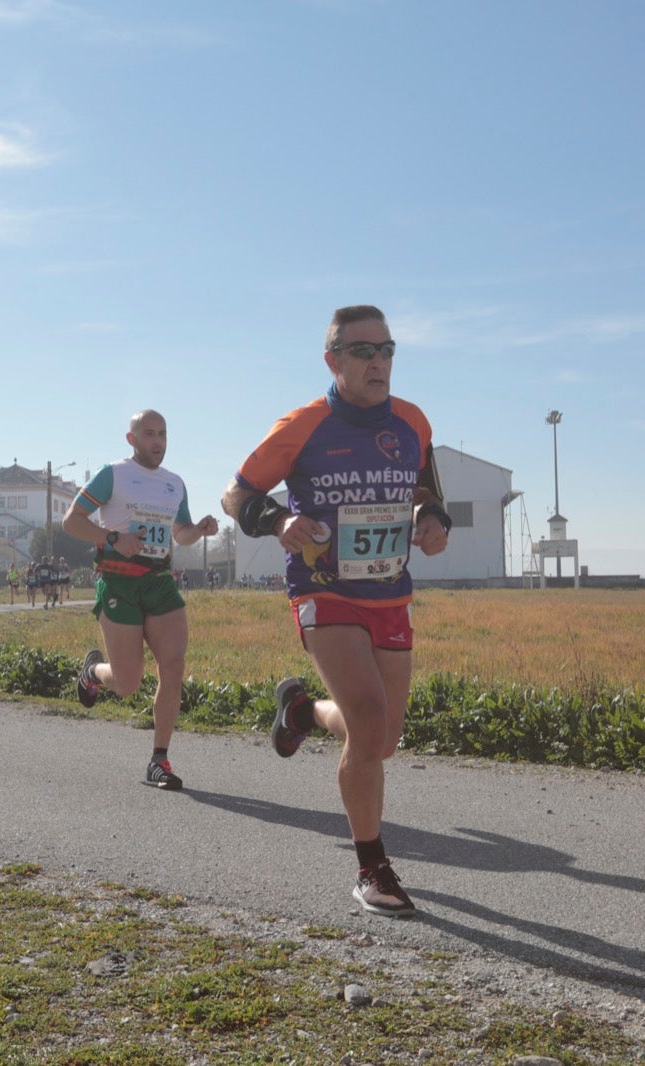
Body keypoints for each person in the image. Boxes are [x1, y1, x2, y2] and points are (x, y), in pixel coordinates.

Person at [221, 305, 451, 918]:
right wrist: (278, 519)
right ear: (333, 361)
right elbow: (236, 492)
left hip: (389, 594)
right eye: (363, 352)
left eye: (387, 350)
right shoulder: (303, 425)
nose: (378, 362)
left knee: (383, 739)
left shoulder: (412, 422)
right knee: (371, 720)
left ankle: (301, 709)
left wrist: (431, 520)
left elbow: (425, 490)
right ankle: (372, 866)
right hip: (323, 591)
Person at [65, 409, 220, 790]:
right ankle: (93, 673)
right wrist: (113, 538)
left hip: (159, 581)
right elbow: (72, 521)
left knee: (174, 665)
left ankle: (159, 760)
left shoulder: (174, 483)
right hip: (119, 583)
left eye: (163, 434)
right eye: (149, 434)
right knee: (128, 683)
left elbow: (179, 534)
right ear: (132, 439)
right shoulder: (113, 474)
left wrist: (198, 529)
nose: (158, 441)